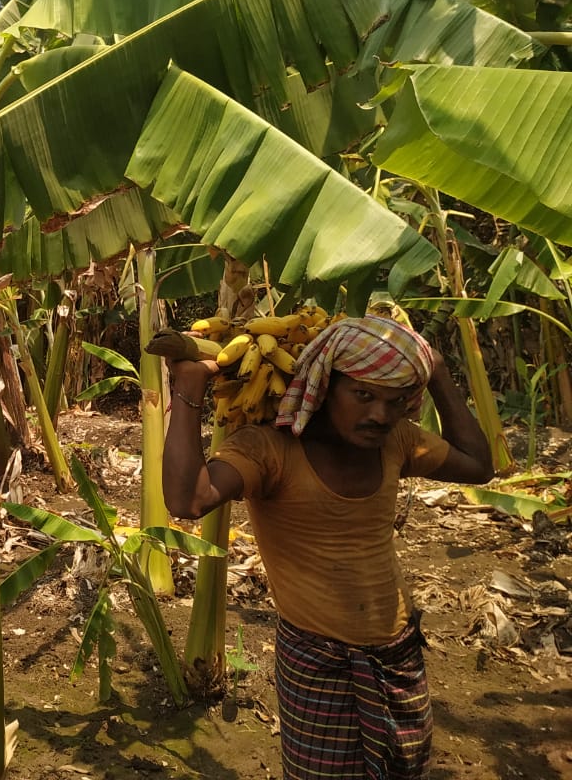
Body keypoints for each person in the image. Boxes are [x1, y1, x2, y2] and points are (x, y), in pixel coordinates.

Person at [161, 314, 493, 780]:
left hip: (398, 655)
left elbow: (479, 466)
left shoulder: (396, 440)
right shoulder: (269, 450)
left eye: (395, 400)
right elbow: (187, 499)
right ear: (323, 384)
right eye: (363, 395)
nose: (379, 414)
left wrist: (434, 368)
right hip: (318, 663)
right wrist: (188, 387)